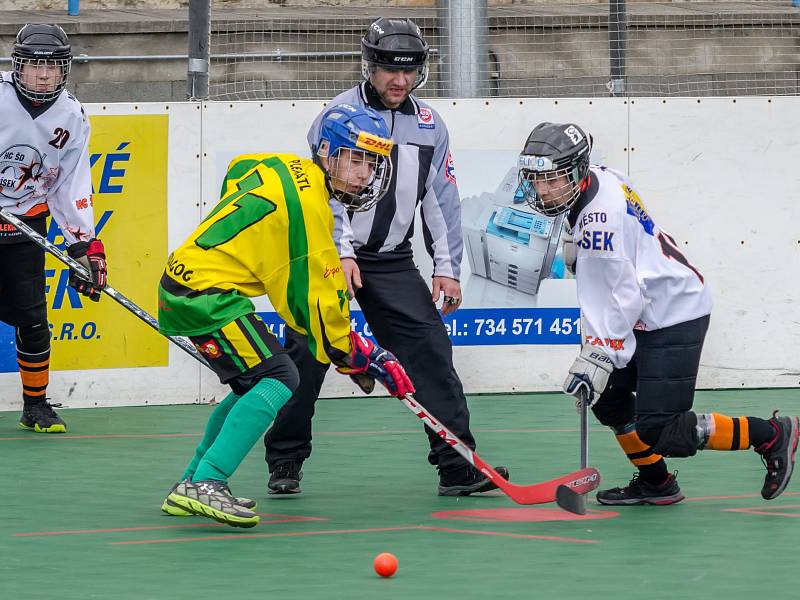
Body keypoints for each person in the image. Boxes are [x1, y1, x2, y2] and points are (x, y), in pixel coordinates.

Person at [264, 17, 508, 497]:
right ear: (369, 65)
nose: (400, 81)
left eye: (411, 71)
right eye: (389, 71)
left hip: (392, 260)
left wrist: (446, 268)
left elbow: (440, 198)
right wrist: (340, 253)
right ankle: (286, 460)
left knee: (431, 354)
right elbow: (321, 193)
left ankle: (457, 467)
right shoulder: (337, 115)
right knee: (306, 356)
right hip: (326, 255)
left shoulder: (429, 125)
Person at [158, 104, 414, 528]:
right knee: (281, 378)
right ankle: (207, 482)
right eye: (355, 159)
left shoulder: (286, 165)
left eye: (372, 164)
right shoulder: (311, 213)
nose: (366, 174)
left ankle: (189, 483)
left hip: (188, 283)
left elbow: (239, 171)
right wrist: (359, 355)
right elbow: (319, 306)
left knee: (251, 384)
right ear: (328, 153)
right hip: (206, 295)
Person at [517, 121, 799, 505]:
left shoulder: (602, 229)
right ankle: (657, 483)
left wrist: (600, 354)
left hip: (673, 314)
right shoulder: (600, 177)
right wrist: (574, 239)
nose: (544, 189)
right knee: (609, 397)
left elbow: (623, 299)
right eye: (537, 179)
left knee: (662, 430)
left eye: (554, 179)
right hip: (649, 308)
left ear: (578, 171)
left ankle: (770, 434)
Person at [0, 24, 108, 434]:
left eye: (52, 66)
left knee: (33, 320)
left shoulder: (72, 116)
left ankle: (36, 406)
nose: (43, 75)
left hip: (24, 223)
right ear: (18, 67)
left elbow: (71, 183)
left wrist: (85, 245)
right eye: (34, 66)